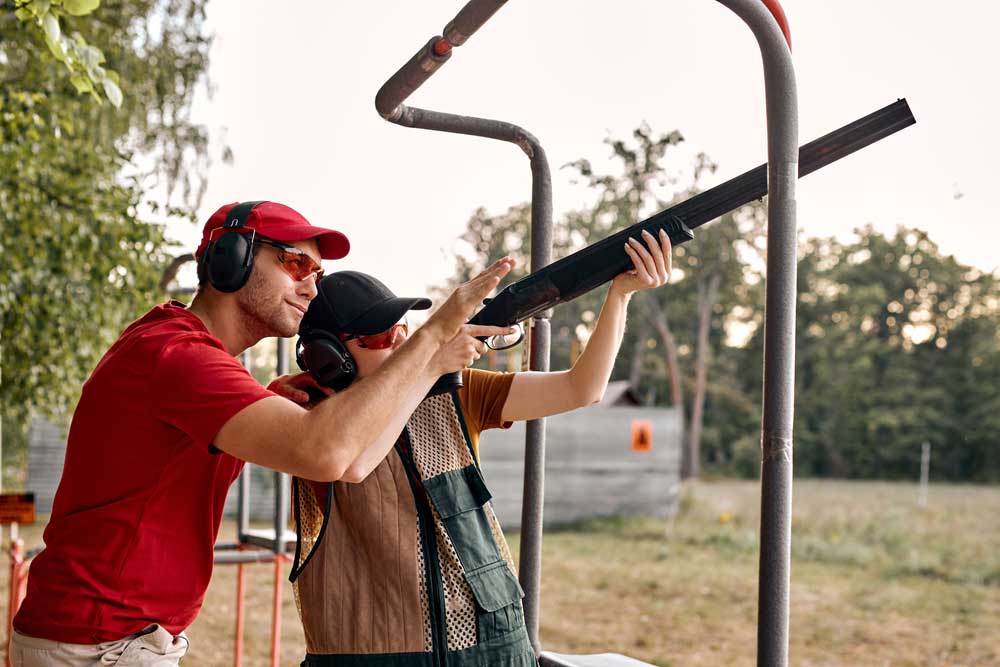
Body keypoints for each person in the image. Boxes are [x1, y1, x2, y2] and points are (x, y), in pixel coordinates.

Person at [11, 200, 515, 667]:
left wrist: (273, 396)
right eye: (296, 264)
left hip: (111, 638)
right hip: (98, 643)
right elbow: (327, 452)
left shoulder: (185, 353)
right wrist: (430, 338)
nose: (312, 287)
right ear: (232, 259)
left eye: (317, 274)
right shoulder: (178, 356)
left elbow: (344, 457)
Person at [284, 229, 672, 667]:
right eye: (375, 338)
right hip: (373, 651)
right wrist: (429, 366)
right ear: (329, 358)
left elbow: (581, 387)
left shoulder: (455, 390)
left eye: (401, 329)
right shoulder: (304, 416)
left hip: (491, 646)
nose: (399, 341)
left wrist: (620, 295)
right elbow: (352, 459)